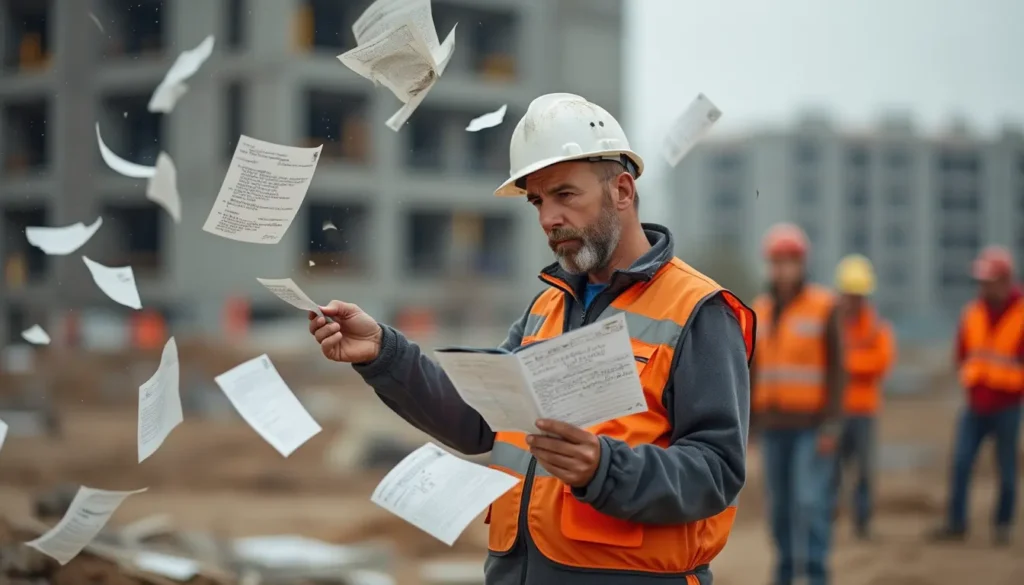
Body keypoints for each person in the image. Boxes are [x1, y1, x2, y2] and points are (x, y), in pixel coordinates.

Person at [308, 93, 756, 585]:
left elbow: (716, 471)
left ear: (623, 191)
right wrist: (383, 354)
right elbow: (481, 423)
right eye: (538, 201)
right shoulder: (547, 308)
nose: (547, 219)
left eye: (566, 195)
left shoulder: (698, 311)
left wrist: (604, 469)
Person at [751, 223, 845, 585]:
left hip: (812, 427)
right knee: (780, 510)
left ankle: (817, 573)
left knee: (810, 502)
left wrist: (832, 425)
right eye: (776, 261)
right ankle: (785, 574)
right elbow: (754, 370)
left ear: (802, 263)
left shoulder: (824, 306)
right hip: (774, 429)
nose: (783, 269)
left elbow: (838, 369)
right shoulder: (760, 309)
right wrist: (751, 425)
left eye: (790, 261)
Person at [930, 245, 1023, 546]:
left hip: (1008, 405)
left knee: (1006, 468)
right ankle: (956, 523)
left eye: (989, 281)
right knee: (960, 462)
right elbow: (962, 354)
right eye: (981, 281)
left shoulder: (1021, 315)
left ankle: (1003, 525)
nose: (983, 287)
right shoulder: (972, 313)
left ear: (1005, 280)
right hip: (976, 403)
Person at [830, 254, 896, 540]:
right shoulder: (831, 324)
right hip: (836, 411)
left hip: (865, 410)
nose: (852, 300)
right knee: (831, 471)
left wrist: (846, 364)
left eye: (857, 295)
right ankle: (827, 521)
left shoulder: (876, 326)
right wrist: (854, 363)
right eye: (848, 294)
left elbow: (881, 363)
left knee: (864, 471)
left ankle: (863, 523)